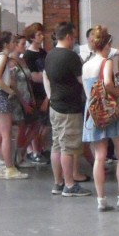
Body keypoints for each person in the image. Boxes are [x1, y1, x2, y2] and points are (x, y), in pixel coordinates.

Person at [81, 25, 119, 211]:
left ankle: (101, 200)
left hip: (94, 113)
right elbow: (107, 82)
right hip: (110, 111)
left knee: (99, 157)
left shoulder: (86, 65)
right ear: (106, 45)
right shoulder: (106, 62)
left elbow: (87, 91)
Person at [44, 21, 91, 197]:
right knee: (68, 148)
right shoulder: (71, 57)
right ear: (69, 37)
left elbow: (46, 77)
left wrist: (50, 96)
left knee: (56, 145)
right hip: (69, 108)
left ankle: (58, 183)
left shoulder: (50, 55)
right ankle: (70, 185)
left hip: (55, 105)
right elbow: (82, 79)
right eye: (74, 37)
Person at [0, 32, 29, 180]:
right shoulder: (3, 57)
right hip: (1, 96)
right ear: (6, 44)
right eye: (13, 42)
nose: (14, 45)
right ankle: (9, 168)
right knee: (6, 135)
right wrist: (11, 91)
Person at [21, 23, 50, 165]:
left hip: (45, 91)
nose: (42, 36)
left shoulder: (43, 52)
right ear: (32, 37)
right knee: (35, 124)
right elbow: (34, 77)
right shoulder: (28, 55)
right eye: (39, 34)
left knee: (44, 124)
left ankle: (40, 148)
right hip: (35, 92)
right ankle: (33, 151)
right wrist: (45, 76)